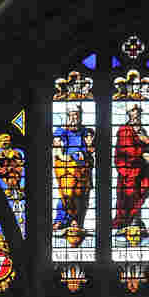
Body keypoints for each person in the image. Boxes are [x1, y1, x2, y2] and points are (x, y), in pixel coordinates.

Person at [52, 104, 95, 243]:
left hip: (83, 169)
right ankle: (62, 220)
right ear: (68, 116)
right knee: (67, 194)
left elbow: (90, 149)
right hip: (67, 168)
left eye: (77, 115)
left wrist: (87, 148)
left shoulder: (86, 131)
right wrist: (68, 158)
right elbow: (58, 150)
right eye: (71, 115)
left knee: (82, 195)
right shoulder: (61, 131)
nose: (74, 118)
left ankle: (77, 222)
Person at [112, 104, 149, 237]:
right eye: (134, 112)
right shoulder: (124, 130)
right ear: (129, 114)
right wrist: (143, 150)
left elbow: (148, 145)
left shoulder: (142, 130)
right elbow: (126, 150)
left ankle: (135, 219)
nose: (137, 115)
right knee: (129, 195)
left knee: (142, 190)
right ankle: (129, 221)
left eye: (138, 112)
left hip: (141, 170)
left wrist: (148, 143)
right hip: (127, 171)